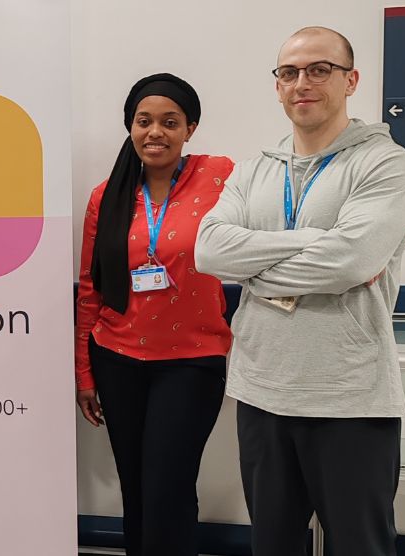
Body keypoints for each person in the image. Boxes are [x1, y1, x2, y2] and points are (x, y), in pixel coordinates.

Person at [195, 27, 405, 556]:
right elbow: (209, 251)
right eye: (290, 72)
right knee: (272, 545)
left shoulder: (384, 163)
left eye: (320, 69)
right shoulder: (253, 172)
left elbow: (352, 260)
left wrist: (254, 268)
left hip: (350, 399)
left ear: (351, 80)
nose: (303, 82)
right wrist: (314, 242)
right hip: (261, 391)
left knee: (360, 546)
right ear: (277, 87)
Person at [75, 73, 233, 556]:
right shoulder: (108, 194)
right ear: (130, 127)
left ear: (191, 128)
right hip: (117, 358)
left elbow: (275, 213)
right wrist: (84, 372)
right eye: (144, 122)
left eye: (170, 122)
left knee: (168, 484)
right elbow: (91, 287)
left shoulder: (221, 175)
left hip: (192, 360)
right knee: (137, 487)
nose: (155, 132)